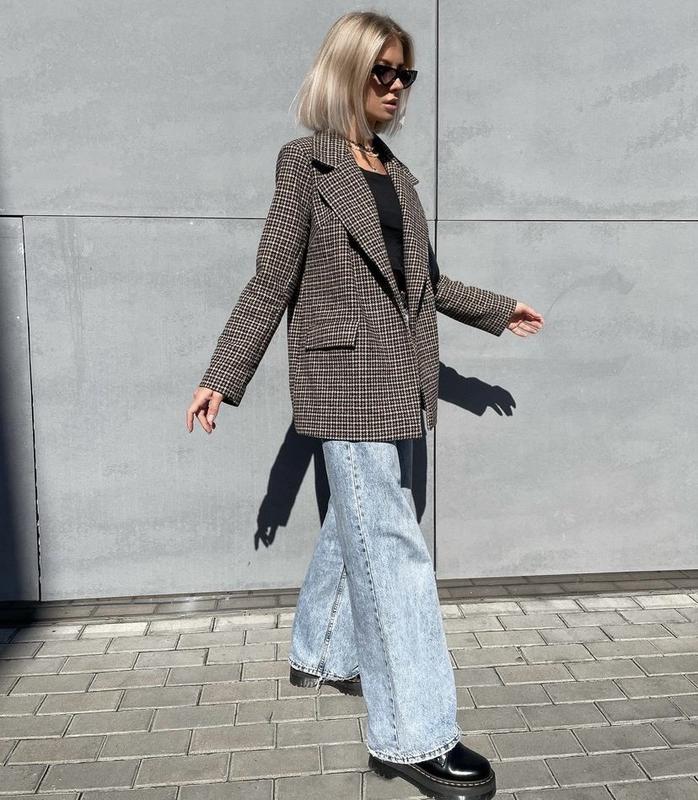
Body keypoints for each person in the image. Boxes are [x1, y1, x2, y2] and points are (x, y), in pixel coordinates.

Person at [186, 10, 544, 799]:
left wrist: (497, 309)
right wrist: (223, 373)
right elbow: (271, 280)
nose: (395, 86)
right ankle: (415, 734)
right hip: (344, 381)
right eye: (382, 70)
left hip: (401, 380)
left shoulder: (397, 176)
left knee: (365, 525)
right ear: (346, 70)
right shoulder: (304, 164)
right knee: (393, 550)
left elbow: (427, 284)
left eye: (404, 74)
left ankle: (320, 652)